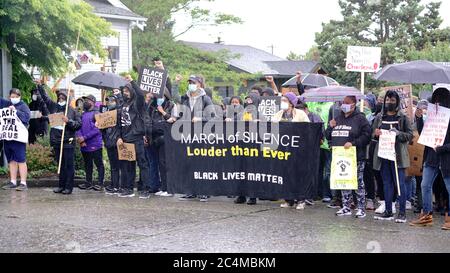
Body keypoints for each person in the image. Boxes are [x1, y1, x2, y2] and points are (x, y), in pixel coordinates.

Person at [410, 88, 450, 230]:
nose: (437, 103)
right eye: (435, 100)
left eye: (439, 100)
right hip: (432, 158)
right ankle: (426, 215)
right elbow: (424, 134)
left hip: (446, 159)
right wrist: (419, 118)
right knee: (425, 185)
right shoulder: (433, 116)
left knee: (449, 187)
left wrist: (442, 148)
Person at [325, 95, 371, 218]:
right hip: (340, 156)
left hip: (355, 156)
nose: (343, 105)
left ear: (353, 104)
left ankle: (361, 207)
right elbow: (327, 135)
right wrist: (330, 126)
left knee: (358, 182)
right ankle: (346, 206)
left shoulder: (360, 118)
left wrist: (353, 143)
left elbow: (367, 135)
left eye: (347, 102)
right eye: (342, 103)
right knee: (344, 181)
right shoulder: (338, 118)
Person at [372, 91, 413, 223]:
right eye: (388, 100)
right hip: (383, 155)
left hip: (398, 156)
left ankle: (402, 213)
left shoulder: (403, 117)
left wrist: (398, 134)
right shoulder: (379, 117)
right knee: (387, 183)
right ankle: (388, 211)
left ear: (397, 101)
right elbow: (372, 134)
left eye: (392, 100)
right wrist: (376, 133)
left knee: (399, 184)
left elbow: (410, 135)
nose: (390, 102)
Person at [178, 75, 216, 202]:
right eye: (189, 82)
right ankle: (190, 191)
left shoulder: (206, 99)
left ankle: (204, 191)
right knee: (189, 163)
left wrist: (201, 119)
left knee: (202, 164)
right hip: (188, 136)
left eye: (193, 82)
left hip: (202, 136)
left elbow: (214, 117)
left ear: (199, 84)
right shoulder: (185, 99)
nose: (191, 84)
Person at [38, 85, 81, 194]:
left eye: (63, 98)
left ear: (67, 100)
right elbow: (45, 98)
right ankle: (61, 186)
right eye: (59, 98)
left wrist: (69, 121)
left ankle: (68, 187)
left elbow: (78, 125)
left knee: (68, 165)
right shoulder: (54, 107)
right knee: (60, 164)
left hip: (68, 141)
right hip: (56, 140)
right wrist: (39, 86)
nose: (60, 99)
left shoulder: (73, 111)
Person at [272, 92, 310, 210]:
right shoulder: (278, 114)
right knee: (285, 174)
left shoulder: (301, 114)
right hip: (283, 150)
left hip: (298, 150)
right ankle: (289, 200)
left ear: (291, 103)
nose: (282, 102)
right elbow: (271, 127)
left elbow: (308, 129)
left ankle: (301, 200)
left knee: (298, 174)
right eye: (282, 100)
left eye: (285, 100)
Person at [117, 79, 151, 198]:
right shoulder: (122, 105)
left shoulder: (137, 103)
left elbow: (141, 94)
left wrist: (132, 82)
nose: (125, 93)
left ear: (132, 91)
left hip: (137, 138)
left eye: (127, 91)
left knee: (142, 164)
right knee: (128, 166)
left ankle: (145, 189)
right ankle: (128, 189)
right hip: (126, 139)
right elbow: (120, 123)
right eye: (124, 91)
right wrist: (119, 137)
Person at [1, 89, 30, 191]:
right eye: (12, 96)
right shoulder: (6, 104)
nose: (14, 98)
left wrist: (16, 111)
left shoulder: (23, 106)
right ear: (9, 97)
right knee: (11, 160)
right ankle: (13, 181)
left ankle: (23, 183)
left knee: (21, 160)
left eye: (16, 96)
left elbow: (26, 118)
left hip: (18, 138)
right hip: (8, 137)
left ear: (19, 96)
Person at [151, 88, 177, 197]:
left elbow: (173, 120)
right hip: (156, 138)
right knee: (160, 164)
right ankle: (163, 187)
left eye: (160, 96)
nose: (158, 99)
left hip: (167, 137)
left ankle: (169, 189)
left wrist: (162, 112)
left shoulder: (172, 105)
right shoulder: (154, 107)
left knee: (166, 163)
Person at [76, 95, 105, 191]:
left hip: (95, 145)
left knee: (99, 164)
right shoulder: (82, 114)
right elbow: (78, 126)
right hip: (84, 145)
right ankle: (88, 183)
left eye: (87, 100)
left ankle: (100, 183)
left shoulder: (97, 113)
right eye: (84, 100)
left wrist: (84, 138)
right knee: (87, 165)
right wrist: (80, 139)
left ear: (92, 102)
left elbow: (97, 129)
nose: (85, 102)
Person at [99, 96, 122, 195]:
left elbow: (122, 127)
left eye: (112, 101)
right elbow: (103, 129)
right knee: (113, 165)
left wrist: (119, 138)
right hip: (109, 142)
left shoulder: (119, 113)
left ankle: (117, 186)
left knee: (117, 166)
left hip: (116, 142)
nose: (109, 103)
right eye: (108, 101)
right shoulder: (106, 114)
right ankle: (113, 184)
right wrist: (99, 124)